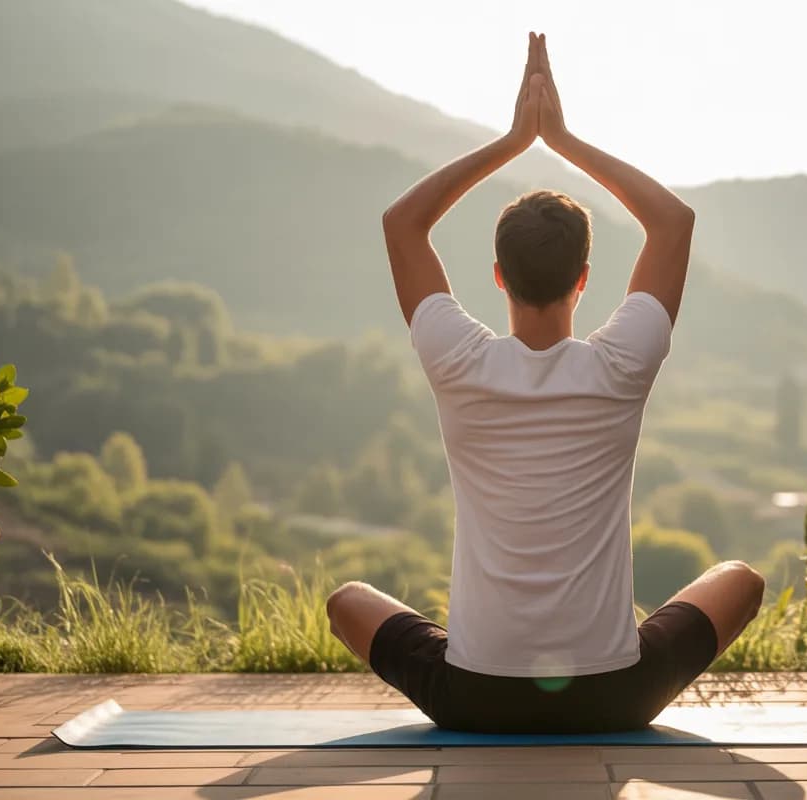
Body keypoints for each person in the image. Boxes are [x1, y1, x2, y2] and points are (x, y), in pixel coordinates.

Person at [326, 32, 765, 733]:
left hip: (473, 695)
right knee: (741, 580)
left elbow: (402, 223)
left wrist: (512, 140)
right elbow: (673, 221)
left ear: (498, 276)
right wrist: (561, 139)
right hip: (612, 695)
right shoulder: (620, 365)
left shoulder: (458, 360)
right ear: (585, 280)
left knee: (348, 600)